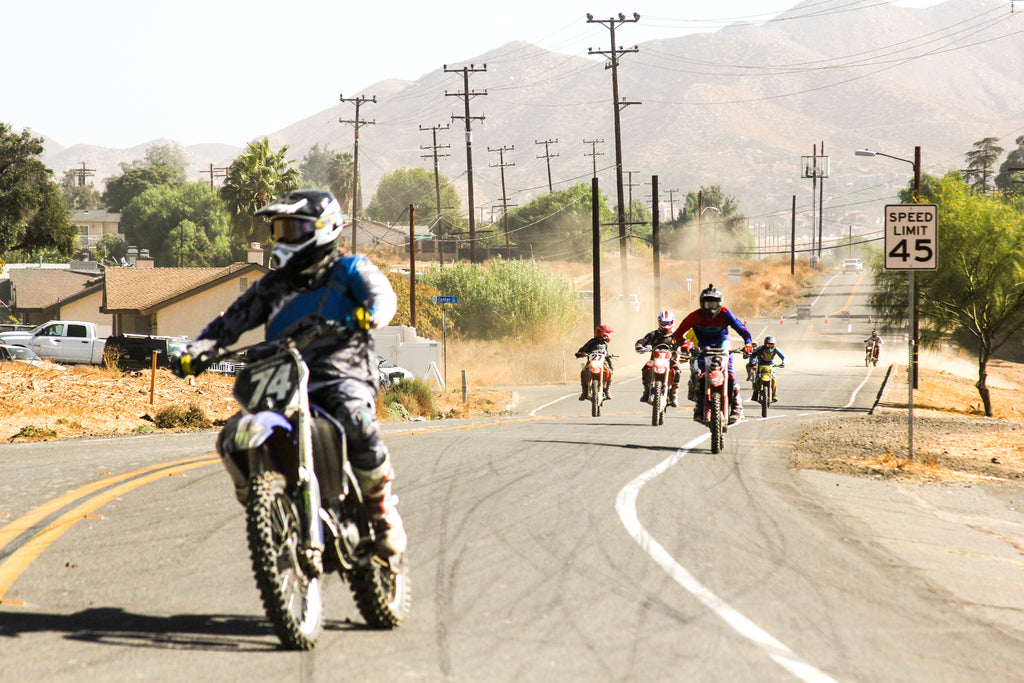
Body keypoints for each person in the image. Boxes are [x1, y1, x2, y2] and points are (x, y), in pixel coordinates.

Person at [173, 189, 406, 557]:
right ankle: (266, 506)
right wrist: (198, 350)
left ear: (324, 230)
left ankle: (381, 513)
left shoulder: (349, 269)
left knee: (356, 420)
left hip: (342, 372)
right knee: (233, 437)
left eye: (292, 230)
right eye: (278, 230)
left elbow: (383, 298)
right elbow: (231, 323)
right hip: (282, 376)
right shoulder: (272, 286)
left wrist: (370, 314)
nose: (282, 239)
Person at [671, 283, 753, 424]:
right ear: (702, 304)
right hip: (703, 346)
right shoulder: (694, 316)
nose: (711, 307)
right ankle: (699, 405)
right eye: (708, 304)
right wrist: (684, 343)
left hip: (723, 343)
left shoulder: (725, 313)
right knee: (699, 373)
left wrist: (748, 343)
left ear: (720, 303)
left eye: (714, 304)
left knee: (729, 370)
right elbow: (678, 333)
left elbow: (741, 328)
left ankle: (737, 407)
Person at [635, 310, 681, 407]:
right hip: (654, 359)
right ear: (659, 322)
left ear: (672, 322)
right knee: (645, 369)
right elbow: (642, 341)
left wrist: (687, 347)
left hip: (670, 360)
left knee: (677, 371)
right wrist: (639, 346)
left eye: (668, 323)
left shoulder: (676, 335)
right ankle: (646, 391)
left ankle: (673, 394)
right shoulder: (653, 334)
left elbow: (685, 342)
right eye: (663, 323)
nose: (666, 325)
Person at [575, 324, 614, 401]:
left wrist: (610, 358)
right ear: (600, 333)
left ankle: (607, 391)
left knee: (610, 371)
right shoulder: (591, 342)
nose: (606, 335)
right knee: (583, 372)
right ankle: (584, 391)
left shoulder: (605, 344)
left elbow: (607, 353)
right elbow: (583, 348)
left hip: (603, 362)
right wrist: (580, 353)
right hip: (592, 362)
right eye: (605, 333)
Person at [746, 335, 786, 402]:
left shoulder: (776, 349)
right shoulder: (760, 348)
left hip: (771, 365)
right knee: (757, 378)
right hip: (761, 365)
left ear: (774, 345)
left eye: (772, 345)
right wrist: (752, 361)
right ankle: (755, 394)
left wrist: (783, 362)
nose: (770, 347)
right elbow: (753, 354)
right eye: (768, 345)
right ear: (765, 344)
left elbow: (783, 356)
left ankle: (774, 395)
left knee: (773, 379)